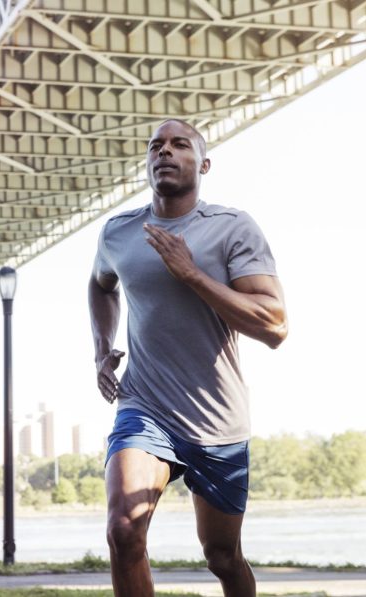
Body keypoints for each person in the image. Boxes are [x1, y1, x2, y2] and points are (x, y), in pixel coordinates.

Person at [88, 119, 288, 597]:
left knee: (221, 556)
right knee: (123, 530)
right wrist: (101, 348)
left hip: (217, 420)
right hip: (145, 405)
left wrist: (191, 274)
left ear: (204, 163)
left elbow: (275, 326)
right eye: (155, 145)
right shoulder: (119, 232)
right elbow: (100, 284)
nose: (165, 151)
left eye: (180, 144)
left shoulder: (231, 228)